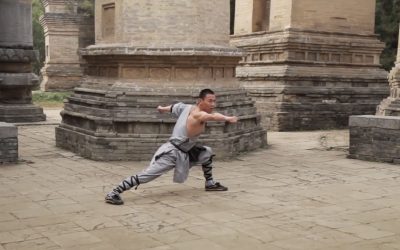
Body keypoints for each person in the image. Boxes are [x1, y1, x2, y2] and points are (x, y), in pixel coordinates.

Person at [105, 88, 238, 205]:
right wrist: (227, 118)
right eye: (210, 101)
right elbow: (213, 117)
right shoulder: (199, 114)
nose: (213, 104)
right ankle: (113, 193)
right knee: (147, 175)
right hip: (172, 153)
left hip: (186, 149)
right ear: (200, 101)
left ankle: (210, 183)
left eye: (214, 101)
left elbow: (174, 107)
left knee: (206, 152)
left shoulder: (187, 107)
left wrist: (162, 108)